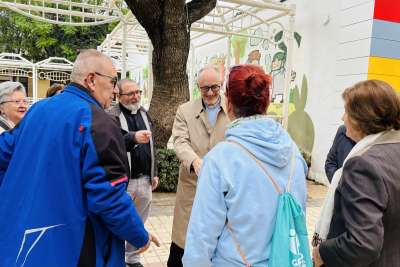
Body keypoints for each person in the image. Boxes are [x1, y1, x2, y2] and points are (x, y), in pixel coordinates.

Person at [0, 49, 159, 267]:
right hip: (74, 247)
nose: (114, 91)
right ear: (91, 79)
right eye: (113, 81)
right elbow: (108, 197)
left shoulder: (38, 110)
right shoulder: (99, 122)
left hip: (23, 243)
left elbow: (4, 153)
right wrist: (139, 234)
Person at [182, 64, 308, 267]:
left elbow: (201, 236)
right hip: (287, 260)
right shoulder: (293, 152)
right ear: (266, 103)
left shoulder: (220, 159)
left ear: (229, 103)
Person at [312, 80, 400, 267]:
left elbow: (362, 244)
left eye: (346, 112)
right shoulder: (393, 149)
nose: (342, 118)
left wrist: (322, 252)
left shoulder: (363, 164)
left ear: (361, 119)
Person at [167, 66, 230, 267]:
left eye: (215, 87)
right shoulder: (184, 110)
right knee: (183, 241)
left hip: (224, 188)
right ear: (198, 87)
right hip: (192, 185)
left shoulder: (234, 109)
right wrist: (194, 161)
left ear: (221, 85)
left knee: (217, 241)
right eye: (205, 88)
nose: (210, 93)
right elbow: (179, 141)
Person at [109, 79, 159, 267]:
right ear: (119, 96)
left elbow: (154, 146)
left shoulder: (144, 113)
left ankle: (133, 259)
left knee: (138, 221)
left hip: (145, 179)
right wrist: (133, 137)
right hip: (124, 181)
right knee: (120, 221)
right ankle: (116, 258)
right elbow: (111, 143)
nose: (135, 96)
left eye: (137, 92)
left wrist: (154, 172)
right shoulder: (111, 115)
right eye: (130, 94)